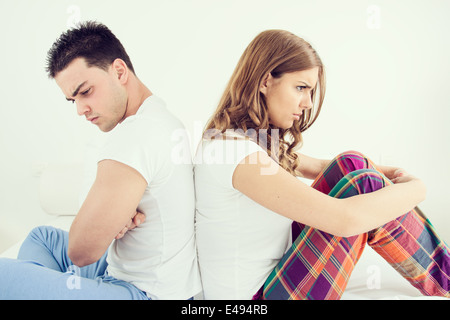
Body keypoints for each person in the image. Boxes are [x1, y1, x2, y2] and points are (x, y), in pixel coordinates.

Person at [194, 29, 450, 300]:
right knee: (362, 184)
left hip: (276, 278)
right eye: (300, 87)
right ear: (265, 81)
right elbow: (345, 220)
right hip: (258, 299)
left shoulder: (239, 141)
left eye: (310, 91)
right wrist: (416, 189)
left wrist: (386, 173)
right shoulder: (237, 154)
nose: (307, 103)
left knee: (352, 163)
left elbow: (319, 166)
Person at [0, 21, 201, 300]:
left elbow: (81, 252)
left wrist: (107, 222)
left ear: (119, 71)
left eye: (85, 91)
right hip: (149, 281)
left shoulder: (135, 134)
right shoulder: (162, 118)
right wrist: (112, 219)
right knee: (41, 237)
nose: (81, 109)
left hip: (142, 293)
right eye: (73, 100)